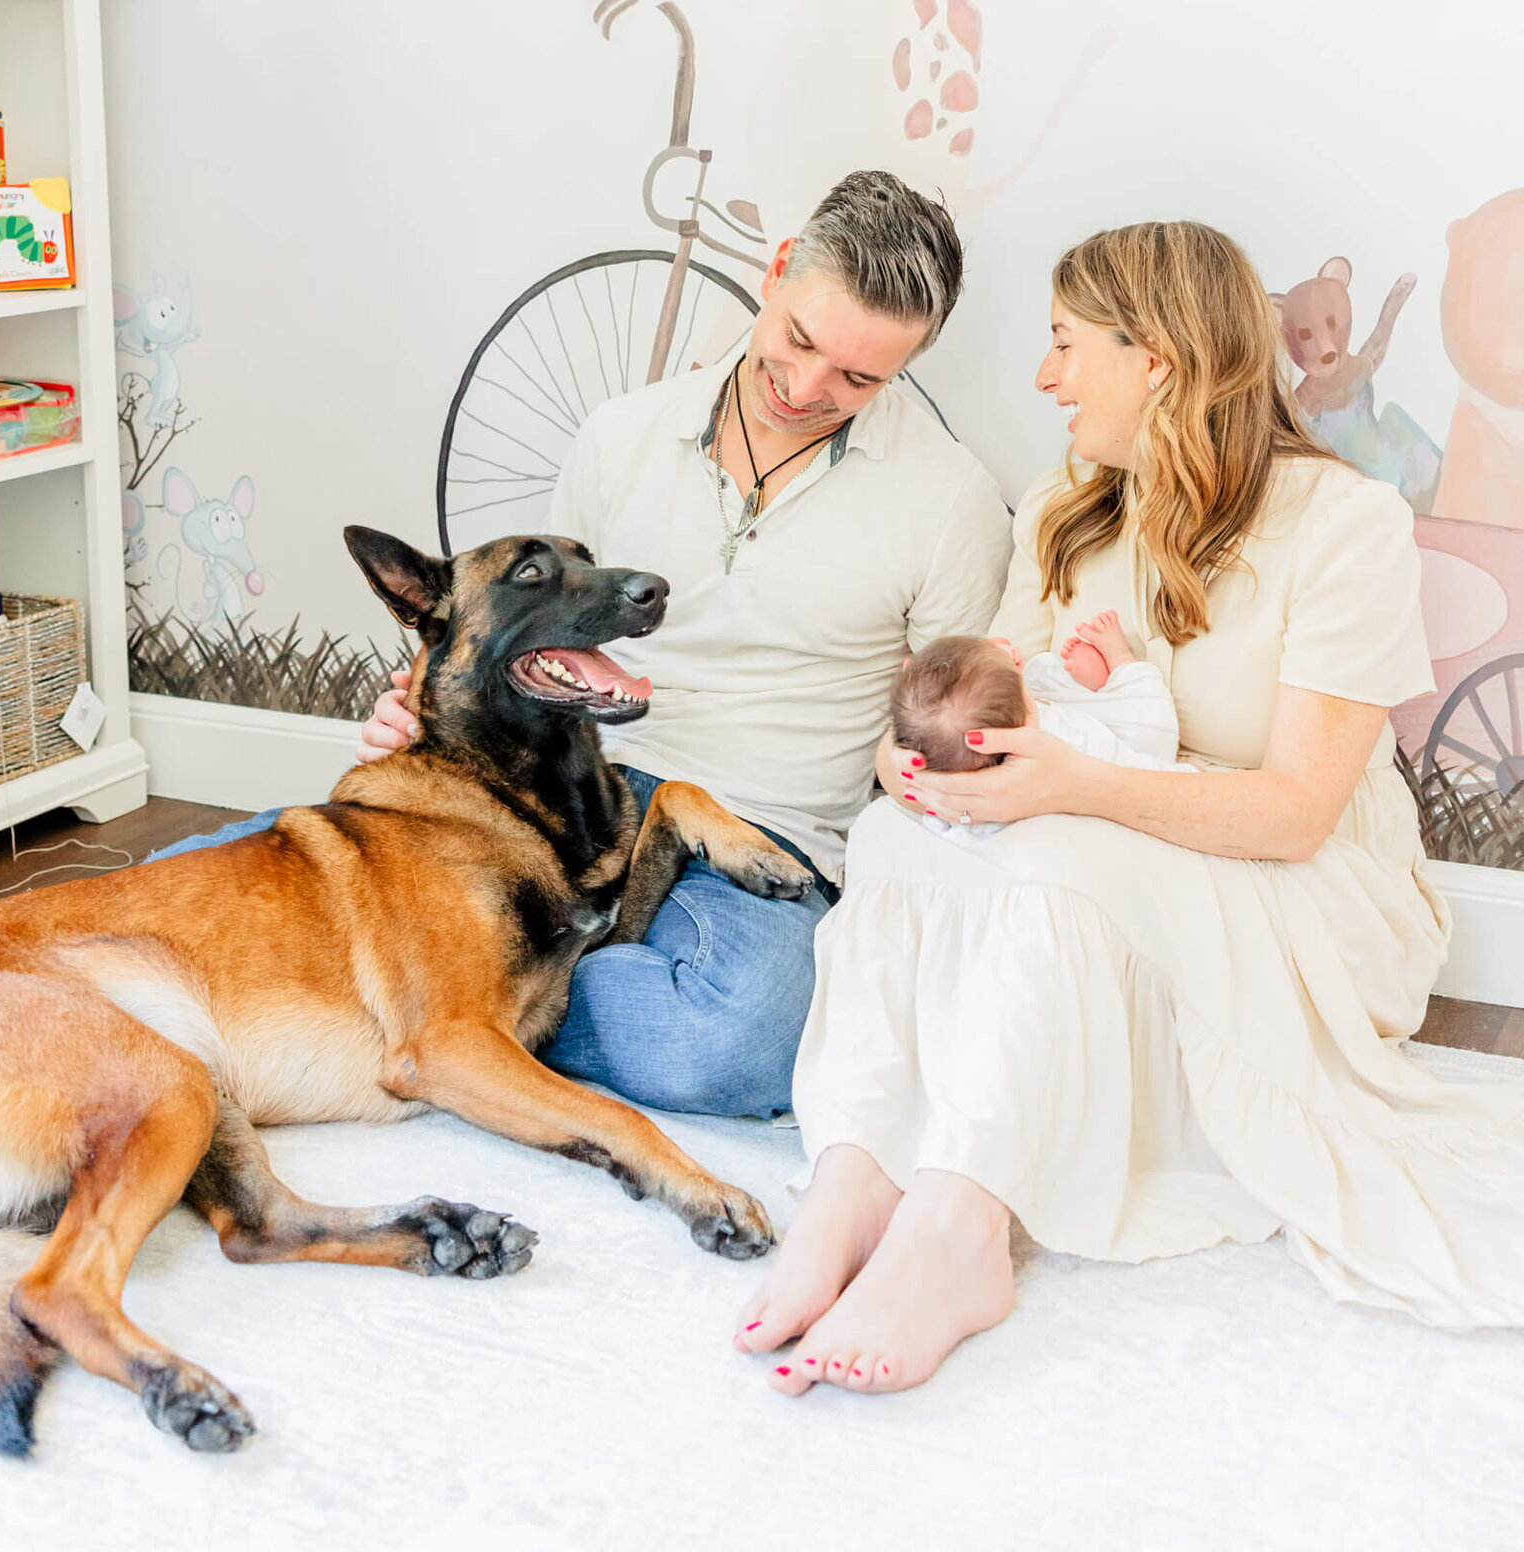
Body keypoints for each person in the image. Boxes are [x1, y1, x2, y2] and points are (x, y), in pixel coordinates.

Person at [737, 219, 1524, 1398]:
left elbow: (1298, 813)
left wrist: (1070, 784)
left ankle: (960, 1227)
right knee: (901, 835)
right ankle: (857, 1172)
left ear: (1152, 357)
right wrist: (941, 768)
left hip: (1310, 887)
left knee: (1062, 856)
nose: (1044, 377)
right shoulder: (1070, 504)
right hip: (1109, 819)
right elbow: (1010, 697)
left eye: (1063, 345)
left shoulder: (1343, 523)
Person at [353, 170, 1013, 1117]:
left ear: (911, 363)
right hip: (570, 792)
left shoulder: (949, 499)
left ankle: (429, 1010)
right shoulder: (621, 433)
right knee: (256, 881)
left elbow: (936, 730)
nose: (807, 388)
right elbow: (537, 639)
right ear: (779, 271)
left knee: (739, 1045)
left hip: (763, 831)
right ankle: (446, 997)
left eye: (860, 378)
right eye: (798, 340)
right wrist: (420, 704)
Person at [895, 616, 1180, 845]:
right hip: (1111, 769)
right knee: (1149, 729)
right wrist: (1120, 658)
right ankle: (1114, 672)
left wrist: (999, 666)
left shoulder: (947, 800)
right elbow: (1151, 749)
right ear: (1021, 728)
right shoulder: (1071, 741)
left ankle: (1083, 687)